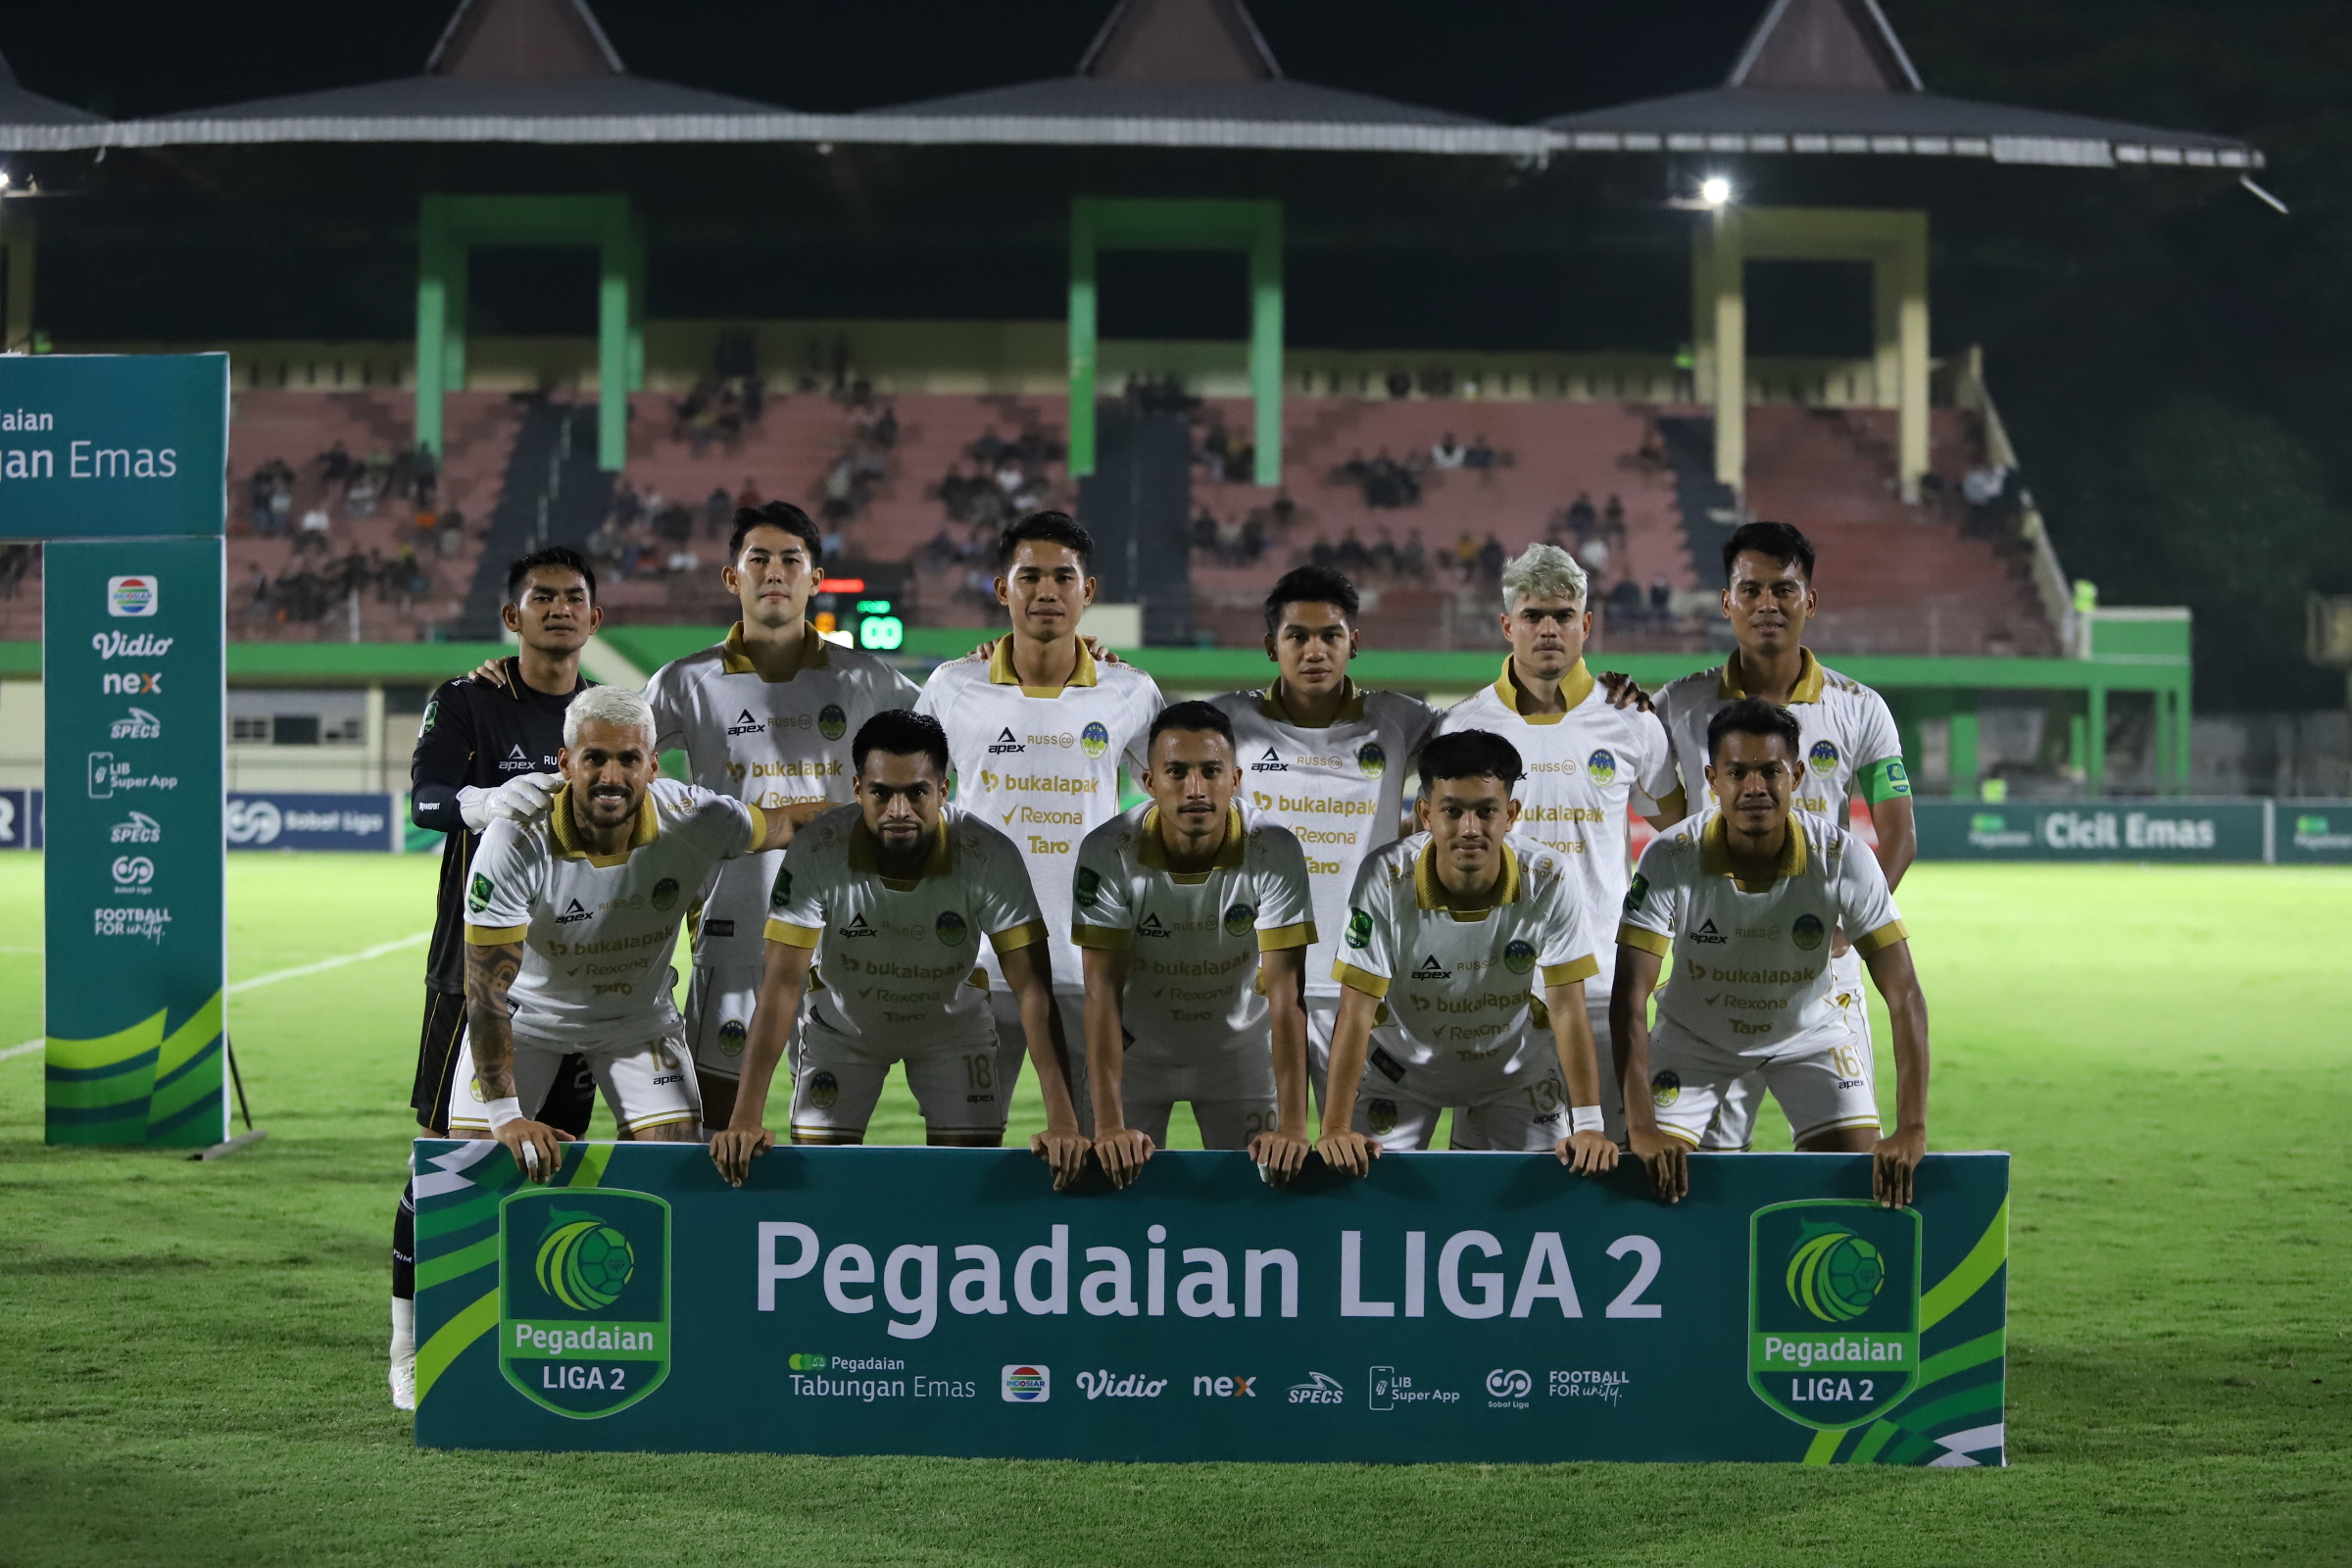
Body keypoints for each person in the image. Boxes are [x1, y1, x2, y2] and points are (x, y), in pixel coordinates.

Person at [390, 546, 604, 1411]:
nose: (559, 610)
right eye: (541, 598)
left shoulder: (616, 714)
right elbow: (424, 797)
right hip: (473, 974)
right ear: (513, 618)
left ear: (597, 619)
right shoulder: (470, 699)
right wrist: (480, 800)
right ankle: (408, 1346)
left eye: (574, 598)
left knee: (557, 1156)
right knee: (447, 1161)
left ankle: (529, 1326)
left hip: (588, 979)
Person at [710, 711, 1091, 1186]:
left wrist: (1063, 1121)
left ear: (943, 790)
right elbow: (781, 984)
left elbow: (1033, 988)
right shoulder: (818, 849)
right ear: (857, 788)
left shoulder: (990, 854)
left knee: (964, 1186)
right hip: (843, 1030)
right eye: (881, 793)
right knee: (822, 1186)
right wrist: (745, 1115)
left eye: (916, 792)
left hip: (953, 1032)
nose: (899, 810)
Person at [641, 503, 920, 1130]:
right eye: (758, 559)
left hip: (841, 935)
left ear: (815, 578)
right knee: (715, 1126)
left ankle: (817, 1234)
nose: (775, 572)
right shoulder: (685, 681)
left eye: (791, 559)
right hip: (729, 927)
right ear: (730, 577)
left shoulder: (862, 678)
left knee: (827, 1131)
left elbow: (953, 733)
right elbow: (611, 760)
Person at [445, 684, 806, 1165]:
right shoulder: (516, 835)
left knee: (676, 1168)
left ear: (653, 765)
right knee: (473, 1162)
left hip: (637, 1022)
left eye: (628, 759)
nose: (610, 776)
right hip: (527, 1019)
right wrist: (507, 1116)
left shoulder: (698, 819)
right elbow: (485, 990)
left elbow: (786, 825)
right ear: (566, 763)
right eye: (594, 758)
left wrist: (876, 820)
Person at [1648, 521, 1916, 1152]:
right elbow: (1670, 822)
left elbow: (1898, 835)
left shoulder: (1860, 707)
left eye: (1783, 589)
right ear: (1727, 602)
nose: (1767, 604)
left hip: (1823, 975)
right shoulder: (1675, 706)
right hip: (1713, 968)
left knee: (1846, 1166)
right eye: (1751, 590)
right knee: (1696, 1175)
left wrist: (1849, 928)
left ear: (1809, 601)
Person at [1612, 699, 1929, 1208]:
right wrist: (1642, 1125)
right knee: (1643, 1175)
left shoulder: (1844, 857)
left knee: (1858, 1181)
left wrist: (1911, 1126)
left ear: (1796, 775)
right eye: (1737, 772)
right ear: (1713, 779)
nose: (1754, 787)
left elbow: (1904, 993)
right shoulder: (1670, 856)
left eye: (1770, 772)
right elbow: (1629, 996)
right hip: (1694, 1036)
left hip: (1808, 1034)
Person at [914, 512, 1163, 1131]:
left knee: (1097, 1146)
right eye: (1029, 577)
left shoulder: (1129, 691)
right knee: (961, 1148)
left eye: (1062, 577)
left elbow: (1181, 789)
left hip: (1091, 965)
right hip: (975, 965)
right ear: (1004, 590)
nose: (1046, 591)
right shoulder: (952, 687)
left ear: (1088, 591)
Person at [1437, 545, 1685, 1143]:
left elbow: (1681, 841)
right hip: (1494, 993)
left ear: (1586, 624)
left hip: (1604, 988)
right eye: (1533, 615)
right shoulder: (1464, 727)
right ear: (1507, 625)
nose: (1549, 628)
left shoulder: (1632, 719)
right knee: (1491, 1179)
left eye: (1563, 615)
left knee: (1614, 1168)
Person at [1312, 730, 1618, 1177]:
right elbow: (1356, 1010)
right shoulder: (1384, 875)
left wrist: (1590, 1124)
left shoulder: (1550, 877)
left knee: (1542, 1205)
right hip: (1401, 1074)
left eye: (1486, 811)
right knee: (1365, 1203)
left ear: (1511, 813)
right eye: (1452, 811)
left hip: (1515, 1073)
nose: (1469, 829)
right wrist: (1335, 1126)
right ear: (1425, 814)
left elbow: (1568, 1009)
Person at [1209, 566, 1438, 1110]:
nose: (1316, 650)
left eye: (1331, 635)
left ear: (1353, 643)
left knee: (1359, 1156)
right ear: (1271, 646)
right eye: (1297, 637)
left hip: (1363, 981)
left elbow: (1485, 735)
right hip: (1253, 985)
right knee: (1264, 1158)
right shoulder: (1227, 721)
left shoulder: (1399, 721)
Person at [1073, 703, 1316, 1187]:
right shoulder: (1107, 850)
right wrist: (1107, 1126)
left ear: (1236, 778)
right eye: (1177, 772)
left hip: (1239, 1056)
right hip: (1136, 1057)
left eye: (1211, 771)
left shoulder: (1274, 848)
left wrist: (1293, 1126)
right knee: (1109, 1202)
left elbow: (1288, 996)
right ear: (1149, 781)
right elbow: (1100, 991)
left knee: (1260, 1203)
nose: (1196, 789)